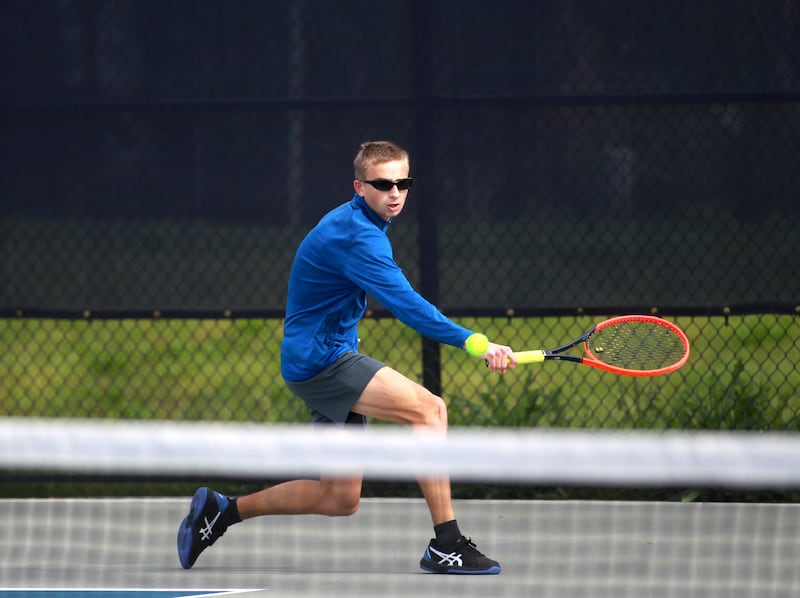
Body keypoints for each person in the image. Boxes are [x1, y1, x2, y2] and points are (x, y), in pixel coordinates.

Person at [177, 140, 517, 574]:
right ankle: (446, 544)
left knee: (339, 498)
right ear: (360, 186)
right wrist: (477, 343)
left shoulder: (359, 223)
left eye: (403, 182)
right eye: (383, 183)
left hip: (317, 358)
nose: (395, 192)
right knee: (430, 411)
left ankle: (221, 512)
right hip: (323, 361)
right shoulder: (359, 239)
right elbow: (409, 306)